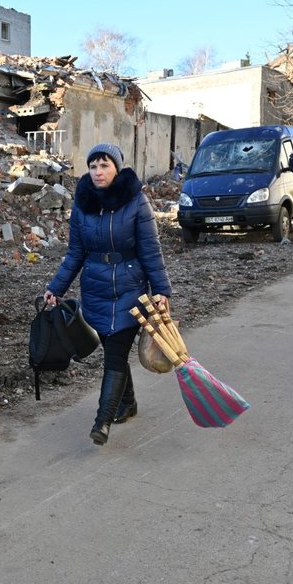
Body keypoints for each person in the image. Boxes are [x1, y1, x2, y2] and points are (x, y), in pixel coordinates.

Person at [43, 143, 172, 446]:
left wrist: (161, 291)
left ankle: (102, 421)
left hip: (129, 287)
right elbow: (75, 253)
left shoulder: (136, 201)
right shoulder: (82, 203)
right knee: (111, 349)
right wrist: (55, 288)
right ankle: (128, 403)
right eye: (93, 166)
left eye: (104, 165)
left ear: (117, 168)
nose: (98, 172)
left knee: (114, 354)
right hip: (95, 290)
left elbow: (151, 250)